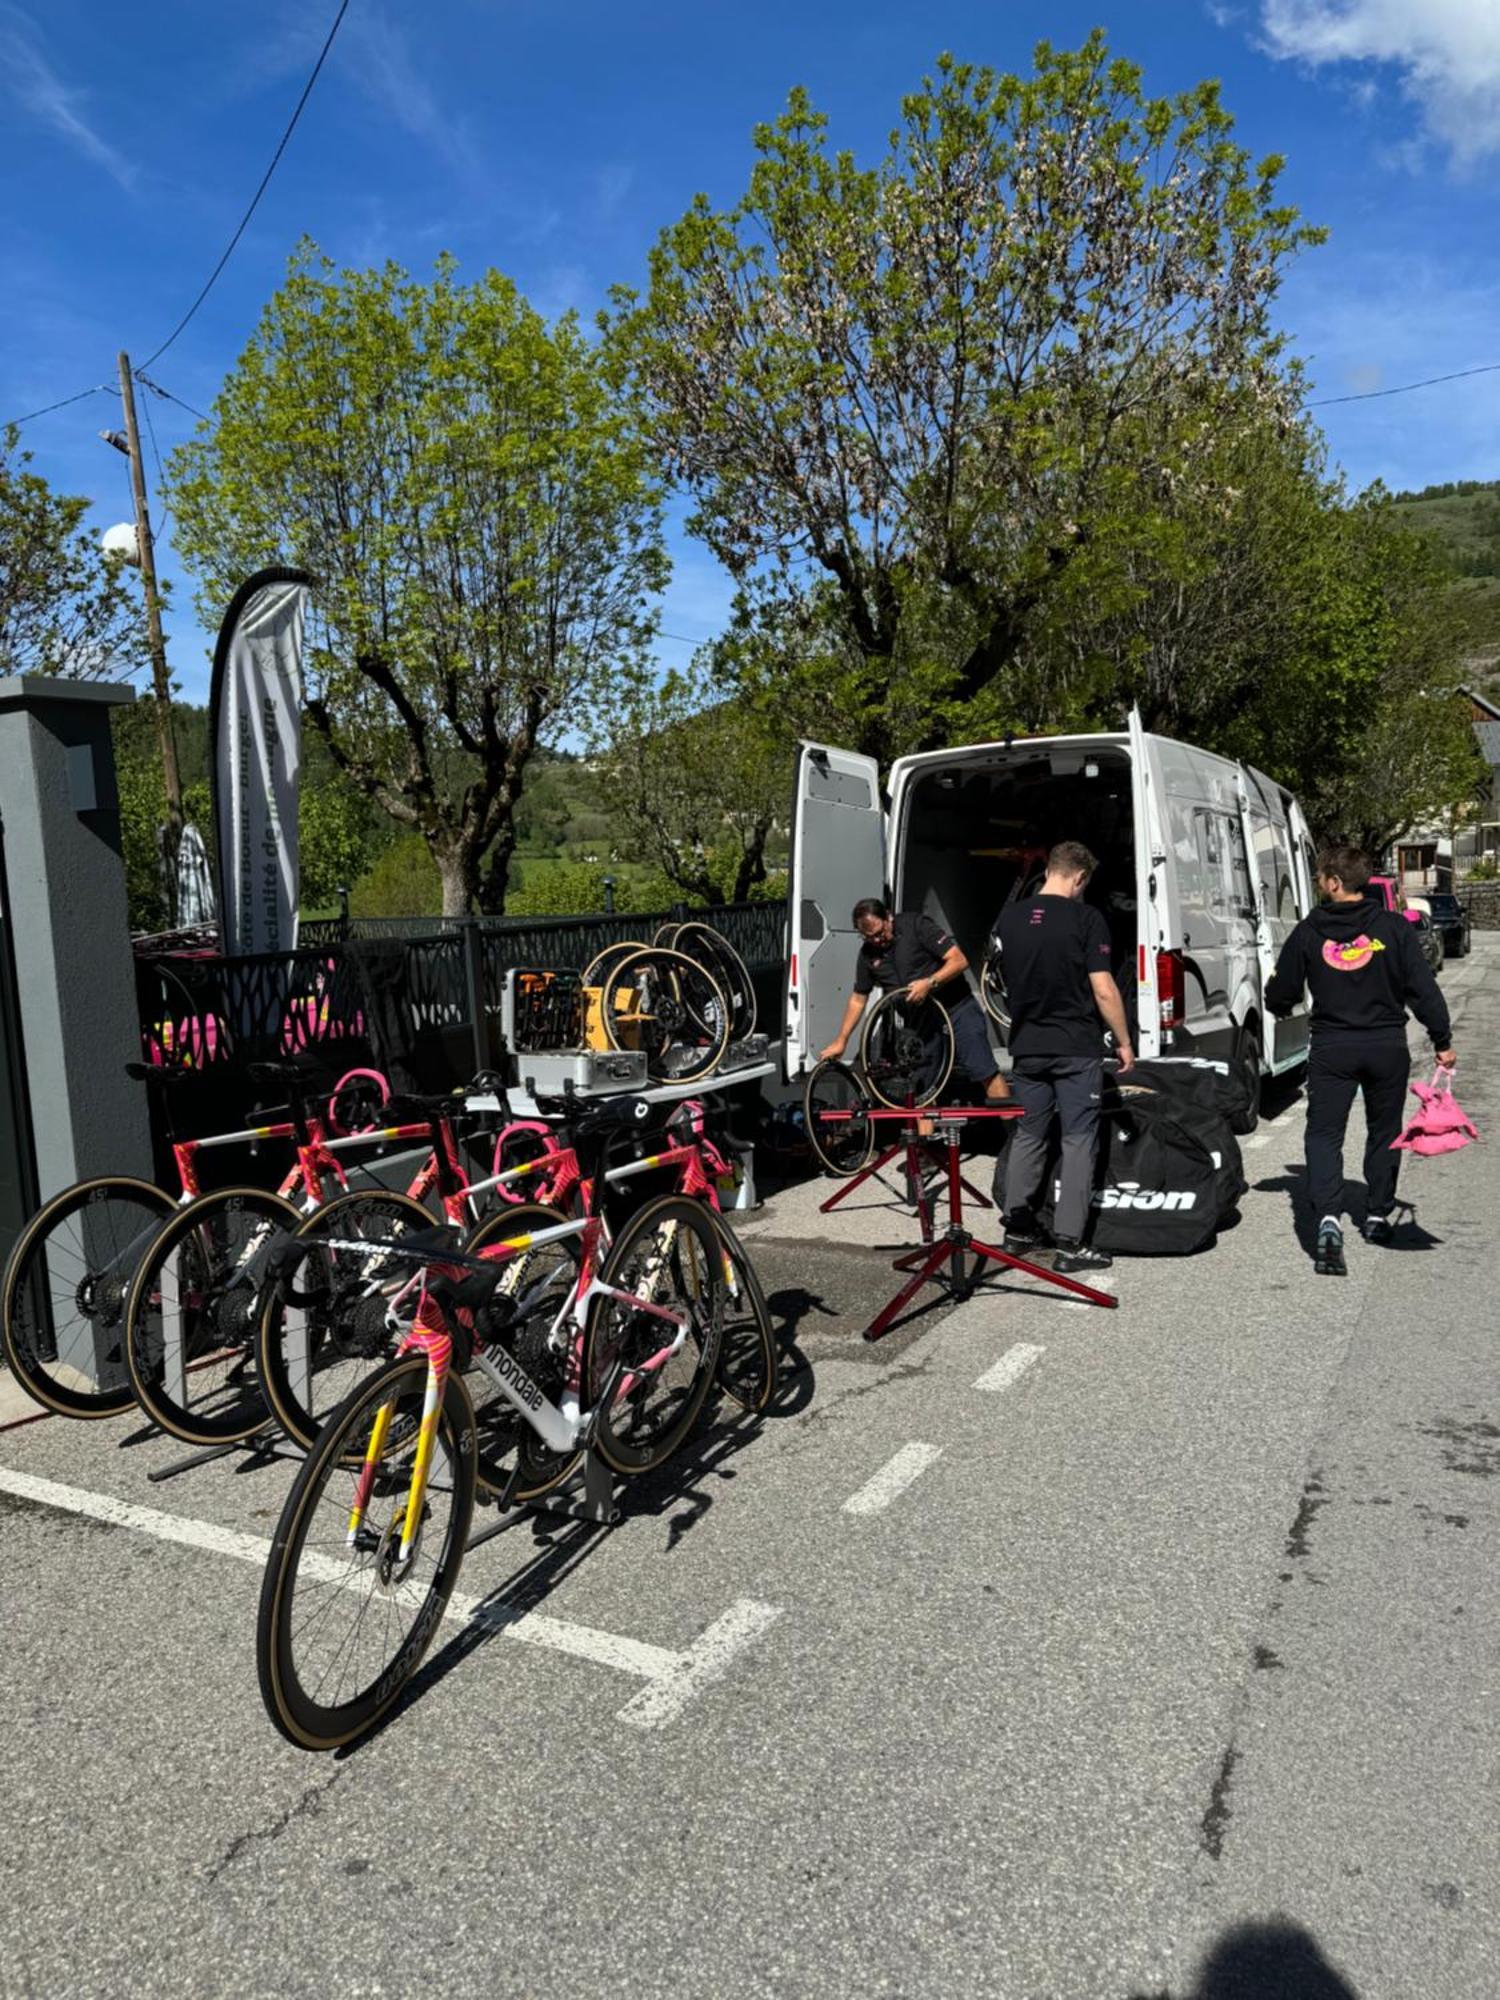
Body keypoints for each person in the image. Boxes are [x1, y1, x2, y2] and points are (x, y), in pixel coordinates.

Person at [1264, 842, 1455, 1275]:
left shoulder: (1310, 931)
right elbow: (1422, 989)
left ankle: (1328, 1217)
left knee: (1325, 1133)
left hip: (1333, 1046)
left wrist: (1279, 1005)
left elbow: (1281, 993)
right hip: (1387, 1045)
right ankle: (1377, 1214)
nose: (1317, 885)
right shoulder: (1393, 927)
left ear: (1334, 882)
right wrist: (1441, 1039)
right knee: (1384, 1130)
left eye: (1318, 878)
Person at [992, 840, 1134, 1275]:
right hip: (1075, 1046)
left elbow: (999, 978)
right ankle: (1071, 1243)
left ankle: (1017, 1229)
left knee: (1029, 1136)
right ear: (1078, 876)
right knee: (1077, 1141)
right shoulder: (1087, 918)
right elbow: (1103, 987)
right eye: (1084, 882)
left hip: (1027, 1046)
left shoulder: (1009, 917)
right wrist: (1123, 1040)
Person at [819, 898, 1011, 1108]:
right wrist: (842, 1039)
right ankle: (922, 1140)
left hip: (957, 1008)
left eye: (880, 933)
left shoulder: (916, 925)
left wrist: (930, 982)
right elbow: (858, 999)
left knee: (983, 1069)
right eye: (868, 937)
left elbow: (958, 960)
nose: (877, 941)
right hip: (922, 1022)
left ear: (888, 918)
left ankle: (1012, 1132)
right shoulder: (868, 955)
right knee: (921, 1087)